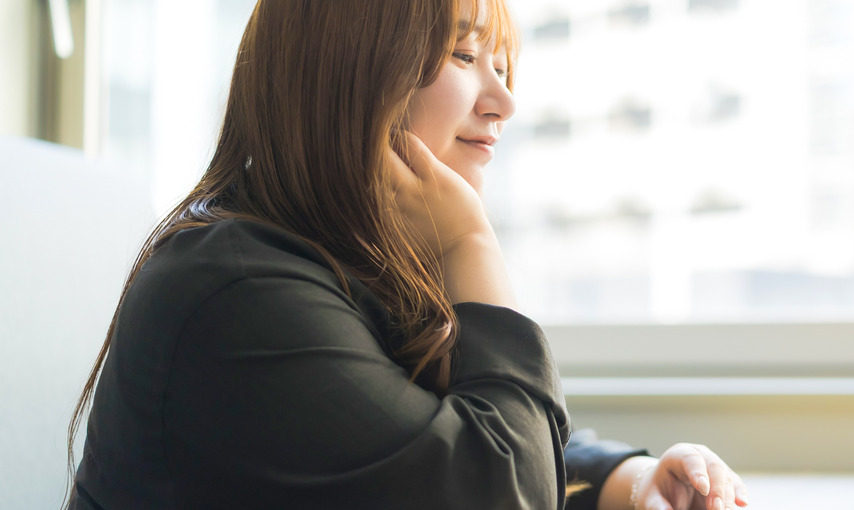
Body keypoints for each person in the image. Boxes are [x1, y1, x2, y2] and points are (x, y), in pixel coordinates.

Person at [65, 0, 752, 509]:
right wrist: (470, 242)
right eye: (463, 56)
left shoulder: (333, 263)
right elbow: (490, 488)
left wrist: (627, 482)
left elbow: (429, 437)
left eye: (502, 65)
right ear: (352, 74)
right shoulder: (243, 295)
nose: (505, 101)